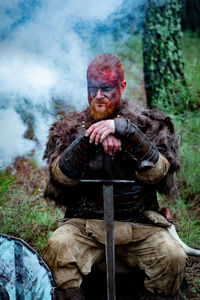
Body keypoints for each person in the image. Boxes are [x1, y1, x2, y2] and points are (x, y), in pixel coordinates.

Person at [43, 53, 186, 300]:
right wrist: (89, 137)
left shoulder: (150, 125)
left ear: (121, 87)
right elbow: (61, 177)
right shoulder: (70, 128)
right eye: (93, 88)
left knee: (172, 256)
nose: (98, 96)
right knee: (58, 246)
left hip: (140, 226)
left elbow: (157, 172)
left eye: (106, 88)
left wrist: (125, 130)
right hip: (85, 227)